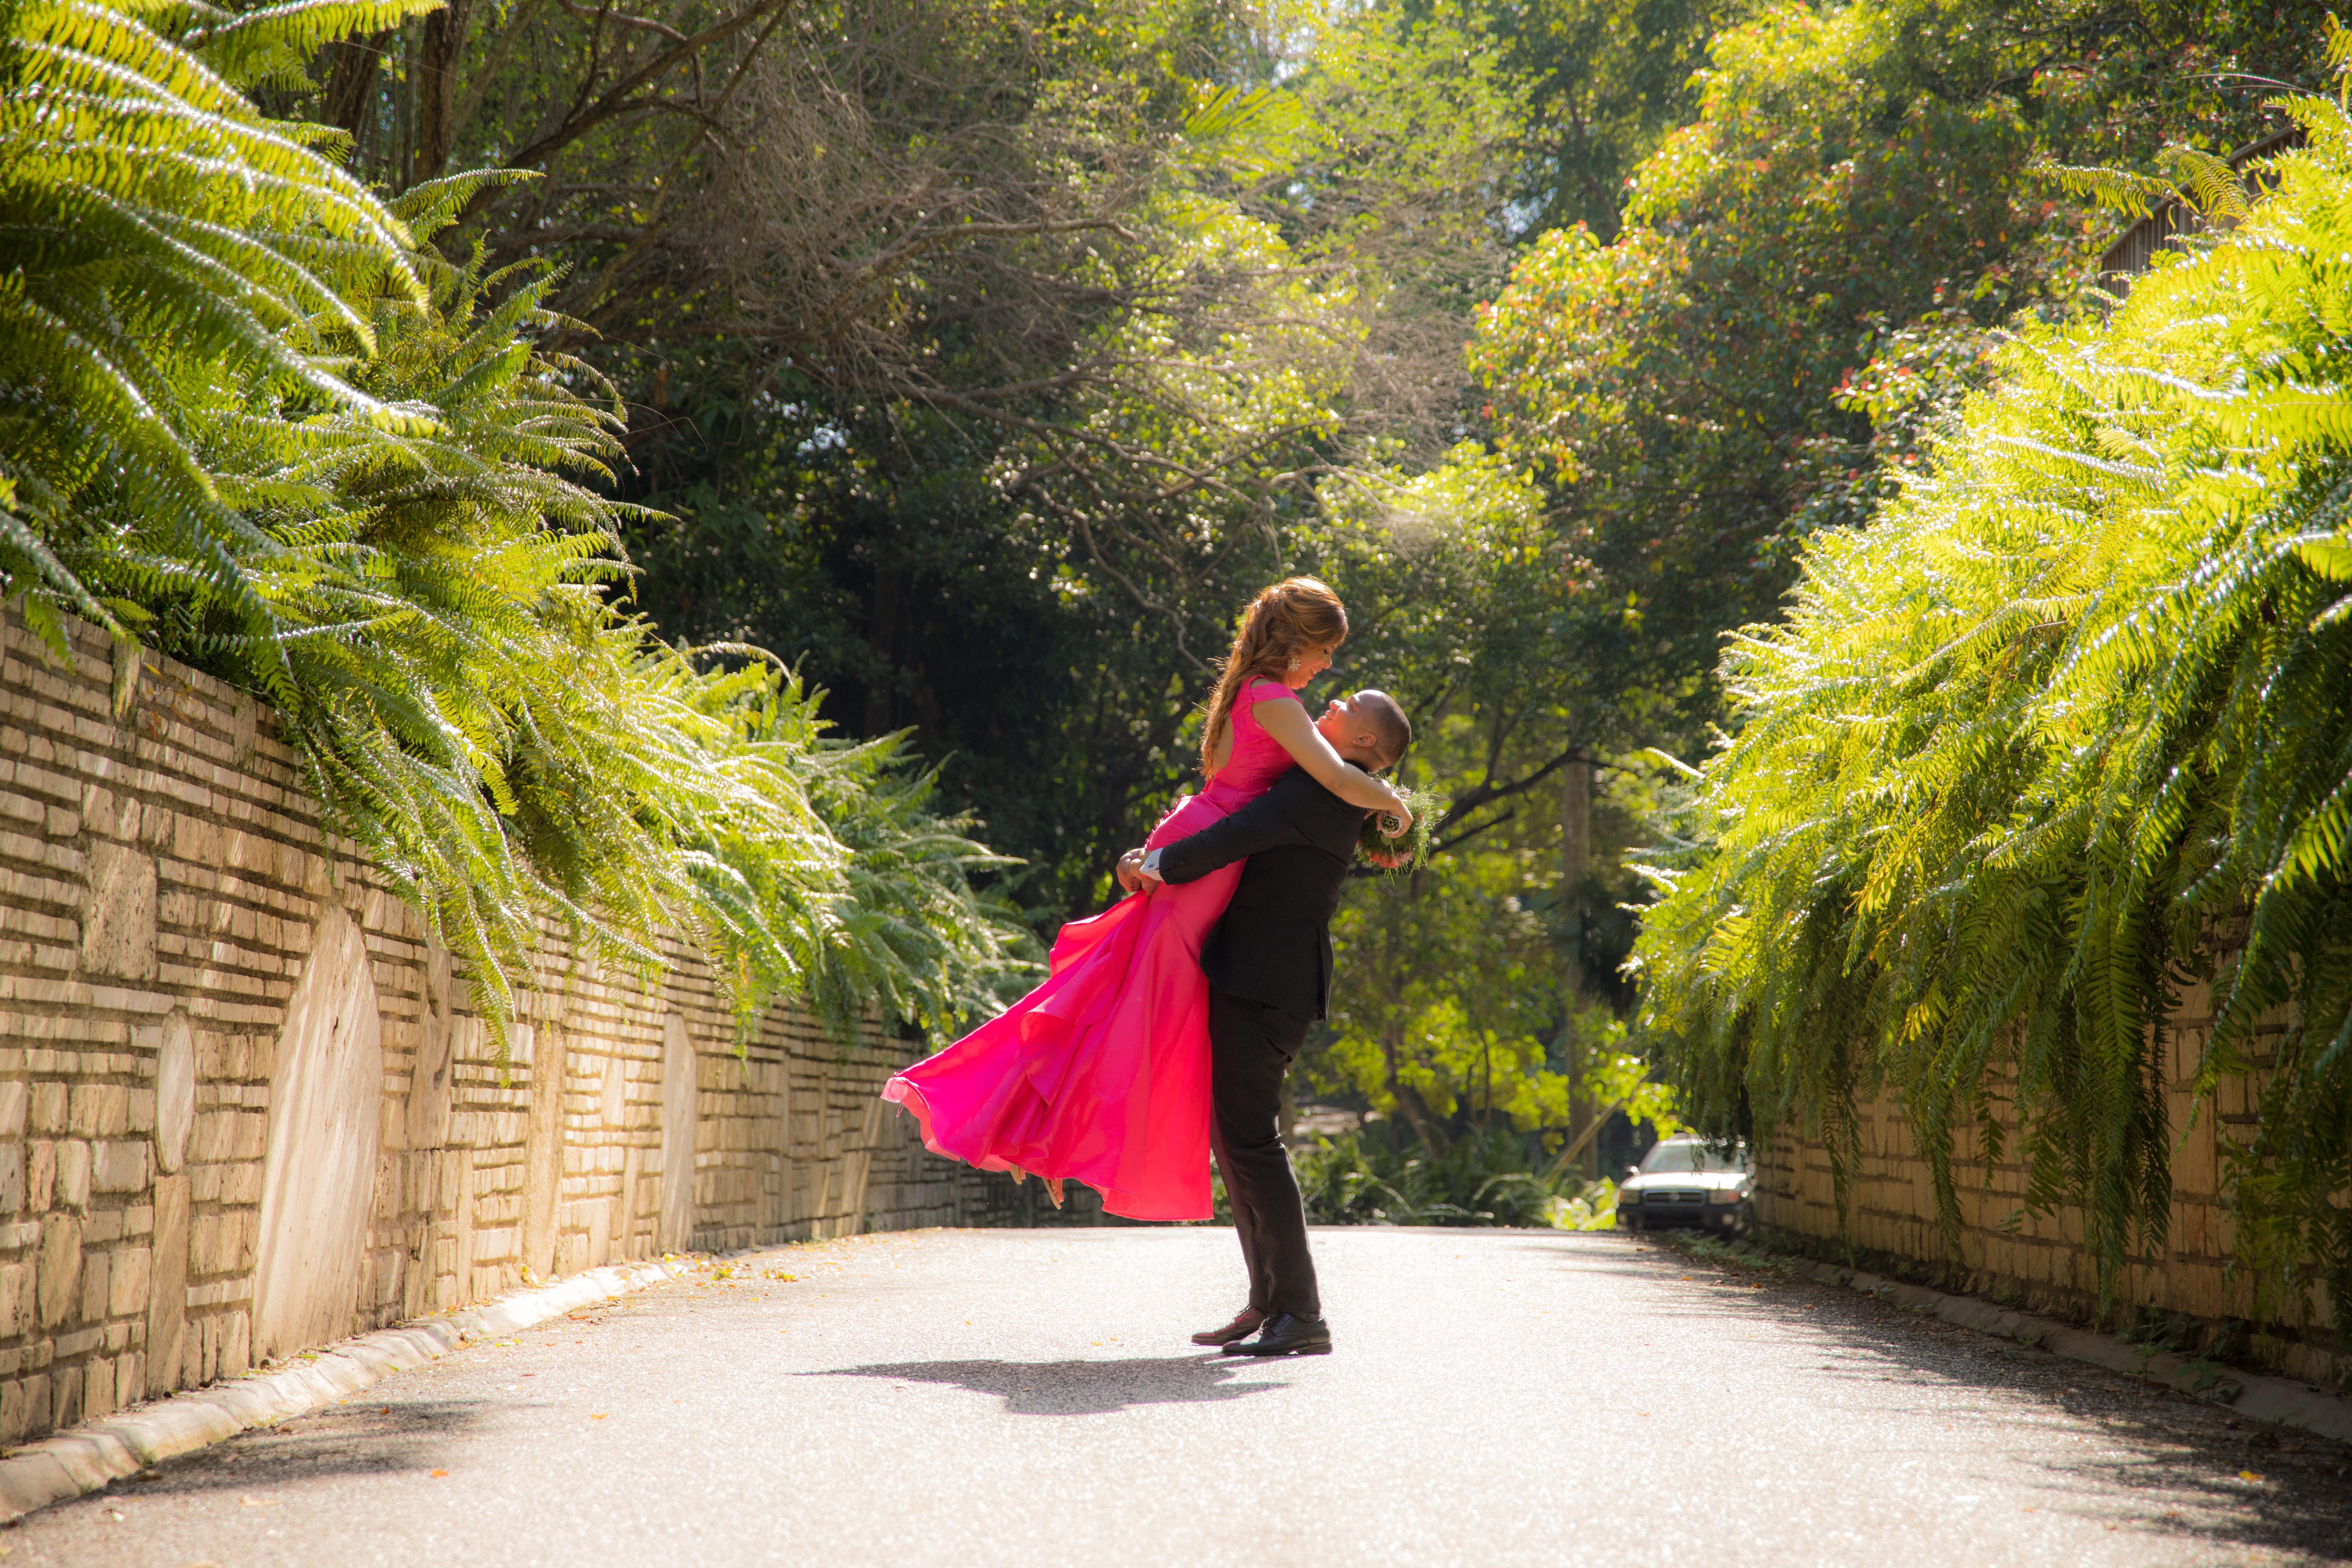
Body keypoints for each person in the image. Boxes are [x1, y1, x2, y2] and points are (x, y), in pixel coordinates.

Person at [881, 579, 1412, 1220]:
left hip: (1195, 842)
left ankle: (1038, 1134)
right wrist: (1395, 805)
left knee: (1109, 994)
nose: (1327, 667)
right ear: (1296, 642)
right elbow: (1335, 776)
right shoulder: (1274, 699)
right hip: (1205, 861)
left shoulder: (1251, 691)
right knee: (1145, 1015)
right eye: (1325, 651)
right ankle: (1046, 1138)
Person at [1118, 688, 1413, 1357]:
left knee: (1252, 1142)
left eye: (1348, 705)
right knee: (1236, 1141)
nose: (1331, 702)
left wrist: (1150, 866)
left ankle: (1301, 1312)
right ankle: (1269, 1301)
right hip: (1259, 978)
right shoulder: (1333, 786)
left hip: (1267, 983)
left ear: (1366, 742)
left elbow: (1232, 838)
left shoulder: (1324, 792)